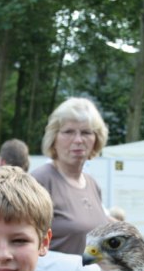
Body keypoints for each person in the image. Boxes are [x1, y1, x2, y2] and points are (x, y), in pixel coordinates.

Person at [31, 97, 110, 255]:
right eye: (68, 132)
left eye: (86, 132)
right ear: (54, 138)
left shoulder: (92, 184)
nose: (78, 140)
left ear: (96, 139)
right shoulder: (39, 182)